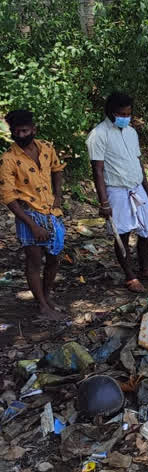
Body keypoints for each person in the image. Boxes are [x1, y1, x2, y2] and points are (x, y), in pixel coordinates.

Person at [86, 92, 148, 293]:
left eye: (128, 113)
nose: (125, 117)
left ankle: (146, 268)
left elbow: (139, 162)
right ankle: (130, 276)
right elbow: (98, 170)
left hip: (136, 187)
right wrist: (104, 202)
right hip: (116, 190)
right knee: (122, 235)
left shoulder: (131, 132)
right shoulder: (98, 134)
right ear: (111, 112)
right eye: (121, 113)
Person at [0, 110, 67, 321]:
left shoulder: (46, 148)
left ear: (33, 129)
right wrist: (32, 225)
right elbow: (9, 198)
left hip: (51, 213)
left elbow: (58, 169)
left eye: (24, 130)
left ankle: (46, 298)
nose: (20, 135)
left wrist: (58, 195)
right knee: (34, 261)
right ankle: (42, 305)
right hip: (28, 215)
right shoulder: (7, 159)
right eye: (16, 131)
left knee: (55, 258)